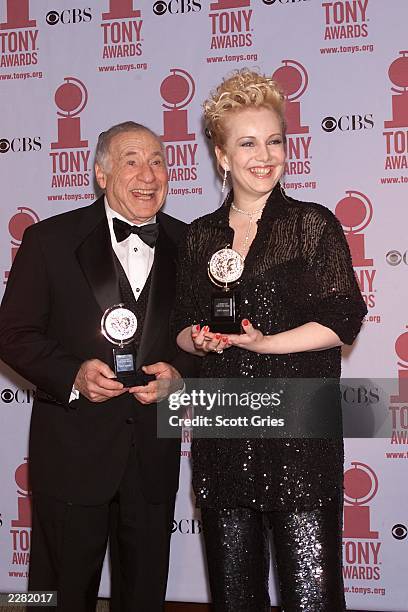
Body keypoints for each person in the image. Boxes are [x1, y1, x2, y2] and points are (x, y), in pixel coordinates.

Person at [174, 70, 367, 611]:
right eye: (248, 142)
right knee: (235, 598)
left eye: (275, 140)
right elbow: (184, 329)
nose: (265, 155)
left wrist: (263, 344)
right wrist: (201, 340)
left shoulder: (313, 225)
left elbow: (342, 319)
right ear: (221, 156)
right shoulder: (198, 237)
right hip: (224, 438)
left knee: (313, 599)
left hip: (300, 441)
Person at [0, 121, 197, 612]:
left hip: (152, 455)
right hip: (70, 453)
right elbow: (12, 334)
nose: (147, 174)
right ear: (102, 174)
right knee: (52, 595)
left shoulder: (192, 244)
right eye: (132, 160)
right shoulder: (48, 240)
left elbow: (204, 339)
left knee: (145, 595)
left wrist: (179, 376)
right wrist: (72, 374)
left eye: (157, 161)